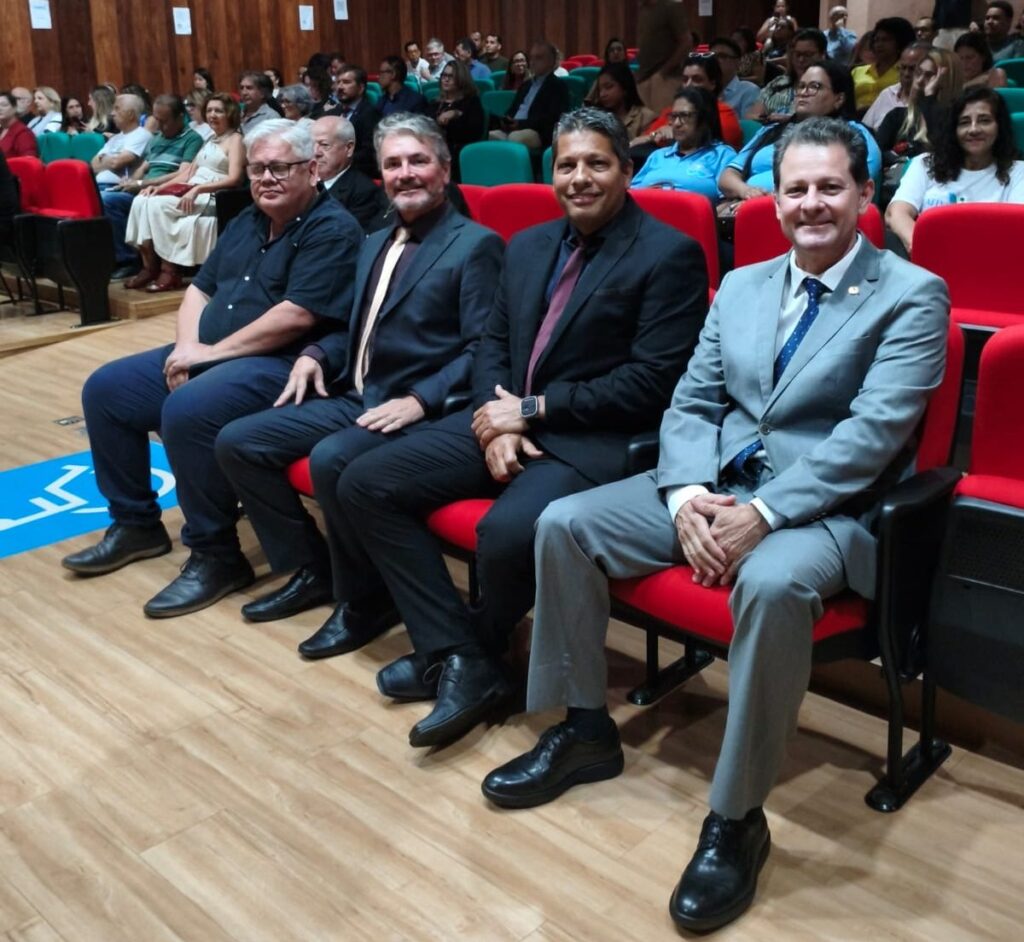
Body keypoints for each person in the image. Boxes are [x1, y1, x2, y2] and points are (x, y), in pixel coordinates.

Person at [481, 116, 949, 933]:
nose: (810, 204)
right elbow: (692, 401)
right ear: (774, 200)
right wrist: (685, 496)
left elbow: (871, 436)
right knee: (563, 523)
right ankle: (585, 729)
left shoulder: (912, 294)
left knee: (768, 583)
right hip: (714, 486)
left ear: (865, 194)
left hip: (824, 510)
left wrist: (763, 514)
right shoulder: (741, 286)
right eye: (795, 189)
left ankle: (736, 818)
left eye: (830, 187)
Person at [243, 107, 708, 753]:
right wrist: (496, 422)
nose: (579, 177)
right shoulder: (530, 245)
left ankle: (472, 655)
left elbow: (652, 383)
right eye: (567, 164)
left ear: (627, 171)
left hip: (591, 439)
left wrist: (532, 410)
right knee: (364, 482)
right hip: (504, 418)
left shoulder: (669, 254)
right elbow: (492, 342)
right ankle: (461, 654)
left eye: (596, 163)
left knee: (505, 533)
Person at [214, 112, 504, 637]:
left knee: (332, 458)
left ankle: (364, 600)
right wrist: (317, 354)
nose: (404, 173)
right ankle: (313, 570)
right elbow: (354, 324)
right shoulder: (374, 240)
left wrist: (420, 399)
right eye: (393, 164)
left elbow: (483, 347)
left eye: (417, 161)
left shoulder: (475, 245)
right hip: (355, 392)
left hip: (418, 407)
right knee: (239, 442)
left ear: (444, 170)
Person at [62, 119, 363, 619]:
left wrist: (207, 355)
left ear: (312, 170)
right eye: (258, 168)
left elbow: (297, 316)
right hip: (212, 351)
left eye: (280, 168)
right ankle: (136, 524)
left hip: (282, 364)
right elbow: (200, 289)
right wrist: (186, 347)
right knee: (107, 389)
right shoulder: (247, 219)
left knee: (188, 409)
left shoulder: (333, 229)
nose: (265, 178)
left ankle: (216, 554)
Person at [123, 93, 244, 292]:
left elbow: (235, 178)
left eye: (218, 111)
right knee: (143, 199)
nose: (212, 115)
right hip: (192, 188)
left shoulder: (235, 139)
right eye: (209, 110)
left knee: (156, 204)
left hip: (213, 194)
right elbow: (188, 173)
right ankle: (149, 266)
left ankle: (169, 270)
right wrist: (159, 188)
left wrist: (198, 189)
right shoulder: (211, 139)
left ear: (230, 113)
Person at [720, 59, 882, 202]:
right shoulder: (771, 131)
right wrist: (746, 192)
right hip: (745, 206)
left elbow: (854, 184)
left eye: (815, 87)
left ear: (839, 99)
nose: (804, 92)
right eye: (801, 86)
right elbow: (728, 175)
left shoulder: (854, 134)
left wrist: (770, 201)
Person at [887, 86, 1024, 253]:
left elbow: (1017, 229)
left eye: (984, 120)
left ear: (999, 126)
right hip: (928, 259)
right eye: (964, 122)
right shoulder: (926, 164)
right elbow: (896, 213)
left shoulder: (1018, 172)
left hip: (993, 259)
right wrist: (922, 248)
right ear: (954, 129)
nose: (973, 129)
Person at [102, 94, 205, 279]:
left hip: (168, 190)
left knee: (109, 201)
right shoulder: (156, 138)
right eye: (157, 120)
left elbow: (183, 174)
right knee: (101, 196)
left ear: (180, 117)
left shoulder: (192, 139)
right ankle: (141, 264)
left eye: (164, 121)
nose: (160, 126)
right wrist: (130, 182)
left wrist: (143, 183)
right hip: (145, 188)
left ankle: (129, 261)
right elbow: (144, 167)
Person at [875, 48, 964, 198]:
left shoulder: (958, 120)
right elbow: (877, 153)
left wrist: (930, 99)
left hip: (938, 194)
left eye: (929, 75)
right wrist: (898, 160)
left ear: (947, 80)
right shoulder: (897, 116)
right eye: (918, 73)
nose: (920, 81)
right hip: (894, 194)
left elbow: (941, 151)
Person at [631, 88, 736, 198]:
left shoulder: (722, 155)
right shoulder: (658, 156)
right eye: (673, 116)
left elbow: (728, 201)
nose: (676, 123)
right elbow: (631, 193)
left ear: (704, 118)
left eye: (685, 116)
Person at [311, 115, 387, 231]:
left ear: (349, 148)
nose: (316, 152)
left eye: (324, 145)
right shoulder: (305, 180)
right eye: (312, 145)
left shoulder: (363, 192)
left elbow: (345, 234)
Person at [490, 42, 570, 150]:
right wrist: (507, 120)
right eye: (531, 58)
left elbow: (551, 119)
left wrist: (521, 124)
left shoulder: (558, 86)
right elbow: (513, 109)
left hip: (538, 132)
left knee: (514, 137)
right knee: (491, 135)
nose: (532, 62)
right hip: (515, 128)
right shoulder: (526, 85)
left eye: (539, 58)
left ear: (551, 61)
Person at [745, 28, 826, 121]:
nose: (801, 60)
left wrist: (790, 120)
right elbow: (752, 115)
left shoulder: (828, 88)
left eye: (808, 55)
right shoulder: (778, 83)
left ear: (822, 55)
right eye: (797, 54)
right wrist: (767, 120)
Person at [431, 60, 485, 180]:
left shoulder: (471, 102)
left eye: (451, 76)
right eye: (444, 75)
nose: (446, 79)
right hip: (435, 150)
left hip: (459, 152)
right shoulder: (435, 103)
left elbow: (475, 133)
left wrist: (455, 114)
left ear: (461, 79)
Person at [635, 0, 692, 112]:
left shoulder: (671, 5)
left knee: (663, 121)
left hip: (665, 79)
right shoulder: (643, 8)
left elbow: (686, 42)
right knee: (646, 122)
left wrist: (662, 72)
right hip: (644, 79)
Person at [852, 18, 916, 112]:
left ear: (900, 42)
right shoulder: (857, 71)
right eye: (876, 40)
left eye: (885, 40)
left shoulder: (906, 73)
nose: (879, 44)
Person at [863, 42, 931, 131]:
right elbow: (864, 130)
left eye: (913, 69)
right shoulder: (887, 94)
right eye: (903, 68)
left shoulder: (933, 103)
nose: (906, 74)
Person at [90, 94, 152, 190]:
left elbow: (117, 163)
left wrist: (103, 158)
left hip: (119, 188)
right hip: (98, 186)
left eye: (117, 109)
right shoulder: (115, 138)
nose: (112, 113)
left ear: (130, 114)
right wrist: (112, 160)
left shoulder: (141, 135)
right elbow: (93, 165)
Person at [330, 66, 380, 177]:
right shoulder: (333, 113)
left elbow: (369, 152)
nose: (340, 87)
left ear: (361, 88)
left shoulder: (370, 114)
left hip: (358, 173)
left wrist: (339, 159)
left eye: (346, 82)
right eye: (338, 82)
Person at [590, 62, 656, 140]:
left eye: (608, 87)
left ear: (625, 87)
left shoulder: (646, 117)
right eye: (599, 90)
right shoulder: (598, 119)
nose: (602, 94)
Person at [711, 37, 760, 120]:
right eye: (712, 57)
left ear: (738, 62)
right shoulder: (703, 87)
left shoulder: (749, 90)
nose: (715, 61)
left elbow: (749, 125)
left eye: (722, 56)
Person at [0, 91, 38, 158]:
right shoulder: (2, 130)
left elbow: (29, 160)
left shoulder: (23, 132)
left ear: (15, 108)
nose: (0, 108)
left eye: (4, 105)